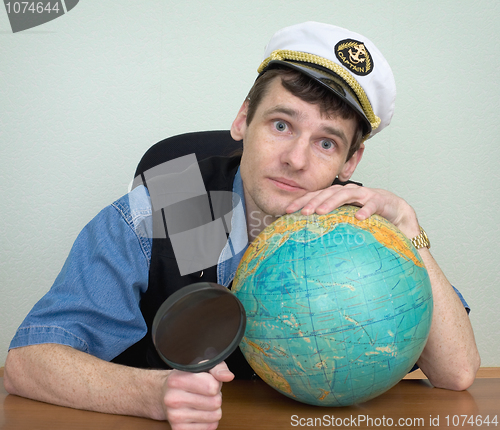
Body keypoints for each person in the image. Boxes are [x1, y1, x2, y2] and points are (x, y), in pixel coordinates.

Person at [4, 21, 480, 430]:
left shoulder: (362, 234)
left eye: (327, 143)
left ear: (351, 161)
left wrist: (409, 229)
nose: (295, 159)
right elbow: (26, 364)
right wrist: (150, 394)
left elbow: (457, 373)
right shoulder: (170, 204)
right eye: (281, 125)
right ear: (242, 119)